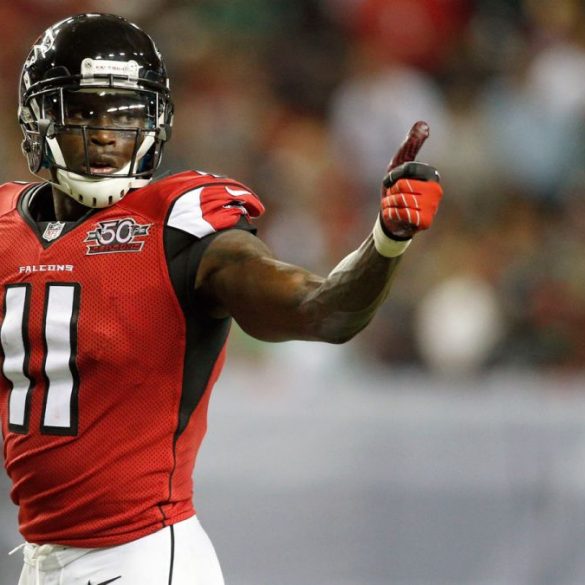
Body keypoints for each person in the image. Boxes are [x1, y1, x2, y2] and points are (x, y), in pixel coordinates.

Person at [0, 13, 443, 585]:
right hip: (41, 558)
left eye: (126, 113)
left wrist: (386, 240)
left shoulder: (177, 224)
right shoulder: (6, 225)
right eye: (86, 111)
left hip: (140, 558)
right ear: (38, 118)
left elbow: (322, 310)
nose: (107, 132)